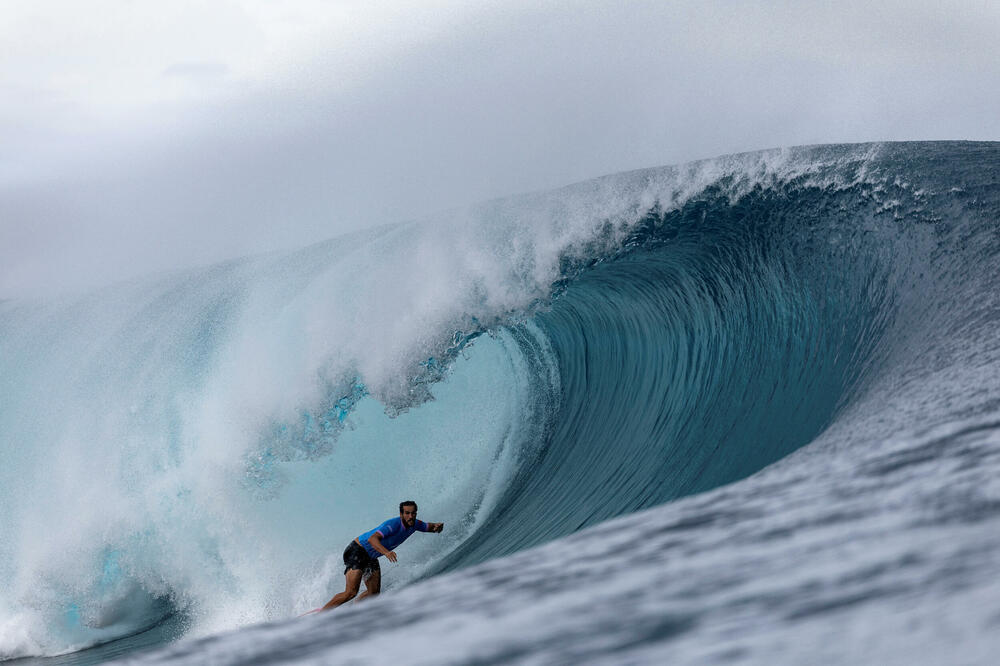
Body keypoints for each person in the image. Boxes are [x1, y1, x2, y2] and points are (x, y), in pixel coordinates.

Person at [321, 500, 444, 611]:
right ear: (401, 514)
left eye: (413, 513)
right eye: (407, 513)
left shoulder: (415, 524)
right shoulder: (393, 525)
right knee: (351, 592)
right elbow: (372, 539)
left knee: (374, 593)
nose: (410, 516)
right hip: (357, 551)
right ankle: (321, 615)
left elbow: (430, 527)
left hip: (371, 556)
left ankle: (355, 608)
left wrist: (437, 527)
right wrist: (386, 552)